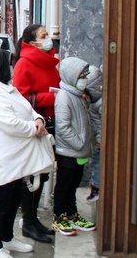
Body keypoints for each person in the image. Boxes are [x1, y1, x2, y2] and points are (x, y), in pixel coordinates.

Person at [0, 49, 53, 258]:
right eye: (8, 64)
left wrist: (38, 120)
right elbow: (9, 124)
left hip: (17, 157)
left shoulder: (4, 86)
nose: (11, 68)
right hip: (2, 158)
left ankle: (7, 238)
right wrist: (35, 128)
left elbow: (28, 108)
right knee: (0, 204)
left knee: (13, 200)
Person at [11, 24, 60, 244]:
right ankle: (28, 222)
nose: (49, 38)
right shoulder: (24, 63)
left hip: (50, 124)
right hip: (36, 125)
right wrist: (52, 99)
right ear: (32, 42)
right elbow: (21, 98)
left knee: (44, 172)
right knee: (33, 175)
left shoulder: (49, 60)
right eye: (44, 36)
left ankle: (34, 220)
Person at [52, 57, 96, 236]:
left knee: (73, 185)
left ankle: (72, 214)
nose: (85, 78)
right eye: (82, 75)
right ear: (72, 76)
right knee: (64, 185)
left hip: (78, 150)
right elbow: (63, 127)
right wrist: (80, 143)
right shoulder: (64, 97)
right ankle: (59, 217)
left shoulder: (77, 95)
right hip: (69, 151)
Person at [86, 65, 103, 202]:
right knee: (96, 163)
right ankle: (95, 187)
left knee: (97, 164)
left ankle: (96, 188)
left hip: (98, 141)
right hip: (97, 140)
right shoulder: (98, 100)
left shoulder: (97, 102)